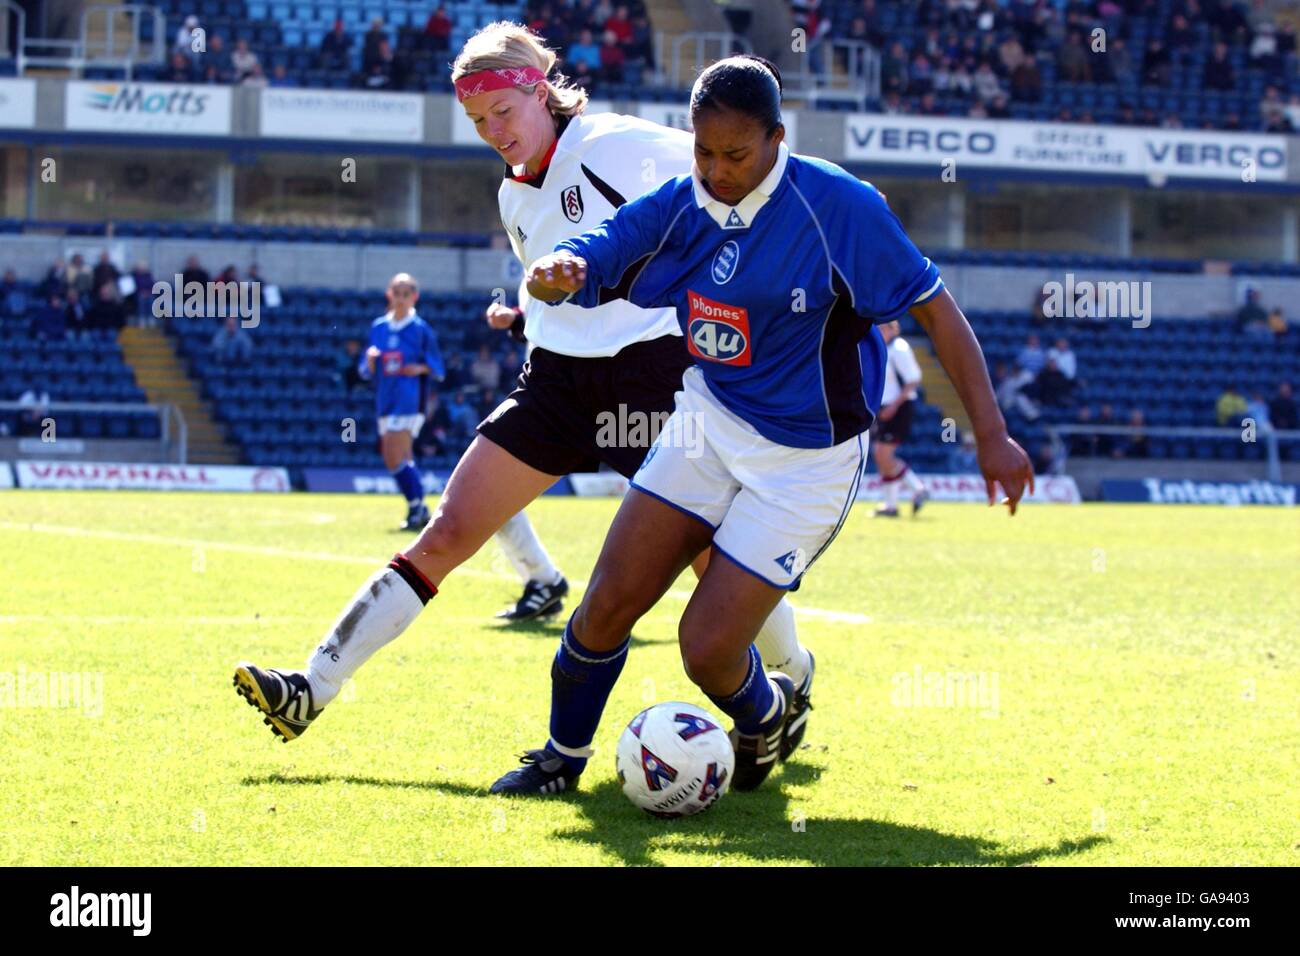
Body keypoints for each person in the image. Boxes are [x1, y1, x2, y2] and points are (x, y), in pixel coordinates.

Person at [231, 23, 811, 745]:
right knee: (448, 531)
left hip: (651, 376)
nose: (493, 131)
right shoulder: (512, 194)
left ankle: (796, 676)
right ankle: (309, 689)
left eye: (503, 112)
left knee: (712, 560)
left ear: (540, 92)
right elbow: (555, 276)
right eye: (479, 122)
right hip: (557, 384)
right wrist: (522, 312)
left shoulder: (616, 145)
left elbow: (742, 173)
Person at [490, 54, 1033, 796]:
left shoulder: (841, 207)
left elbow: (937, 309)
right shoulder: (685, 202)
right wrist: (565, 265)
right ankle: (560, 758)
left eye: (736, 153)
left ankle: (766, 709)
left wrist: (991, 435)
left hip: (806, 460)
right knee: (607, 601)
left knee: (706, 649)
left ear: (779, 138)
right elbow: (609, 243)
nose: (717, 170)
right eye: (703, 151)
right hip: (707, 423)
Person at [356, 273, 445, 531]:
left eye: (406, 293)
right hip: (385, 397)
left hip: (409, 397)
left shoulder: (420, 329)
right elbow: (364, 368)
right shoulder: (379, 327)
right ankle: (420, 508)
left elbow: (437, 366)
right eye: (397, 293)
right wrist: (370, 361)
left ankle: (417, 507)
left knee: (393, 453)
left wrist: (419, 368)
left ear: (414, 297)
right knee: (398, 456)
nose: (401, 298)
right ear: (389, 295)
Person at [871, 319, 929, 517]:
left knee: (883, 454)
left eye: (881, 326)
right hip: (886, 407)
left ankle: (918, 489)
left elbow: (913, 381)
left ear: (891, 328)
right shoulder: (882, 348)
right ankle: (891, 505)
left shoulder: (899, 348)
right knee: (880, 455)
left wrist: (894, 406)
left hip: (900, 407)